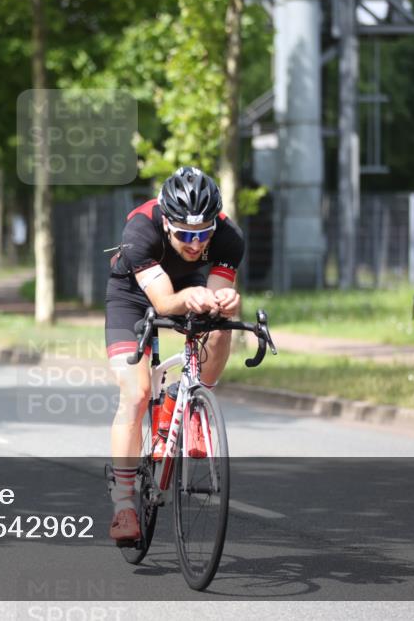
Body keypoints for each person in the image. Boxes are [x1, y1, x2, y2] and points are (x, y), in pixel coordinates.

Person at [104, 166, 244, 545]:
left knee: (219, 325)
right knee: (135, 392)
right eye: (185, 235)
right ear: (167, 223)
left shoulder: (229, 237)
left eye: (203, 234)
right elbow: (165, 301)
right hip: (132, 296)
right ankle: (124, 506)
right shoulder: (140, 229)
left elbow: (216, 294)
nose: (196, 244)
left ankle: (194, 404)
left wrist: (227, 301)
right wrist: (188, 300)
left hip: (188, 285)